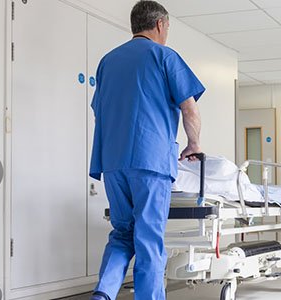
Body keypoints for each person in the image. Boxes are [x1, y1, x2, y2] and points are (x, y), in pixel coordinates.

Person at [88, 1, 206, 299]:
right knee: (149, 238)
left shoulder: (107, 61)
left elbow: (98, 111)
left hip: (112, 162)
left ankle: (103, 293)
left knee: (122, 234)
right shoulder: (164, 56)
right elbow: (189, 109)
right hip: (150, 162)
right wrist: (194, 144)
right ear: (160, 25)